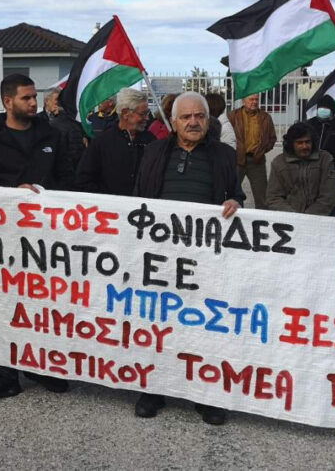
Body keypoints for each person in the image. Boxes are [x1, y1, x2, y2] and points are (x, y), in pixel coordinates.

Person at [134, 91, 244, 425]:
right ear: (174, 122)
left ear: (208, 120)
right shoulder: (154, 152)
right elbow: (139, 198)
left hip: (205, 259)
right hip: (161, 257)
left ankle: (205, 395)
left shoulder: (225, 155)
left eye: (199, 116)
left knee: (204, 326)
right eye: (186, 117)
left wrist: (236, 203)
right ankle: (153, 389)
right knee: (158, 324)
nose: (193, 122)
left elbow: (237, 195)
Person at [0, 74, 72, 402]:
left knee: (44, 302)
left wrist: (48, 195)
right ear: (7, 102)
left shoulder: (52, 135)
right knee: (7, 303)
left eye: (34, 97)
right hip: (7, 238)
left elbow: (69, 179)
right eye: (26, 98)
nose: (33, 102)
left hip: (47, 235)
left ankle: (39, 365)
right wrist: (12, 194)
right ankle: (7, 373)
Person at [75, 88, 154, 195]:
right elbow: (84, 179)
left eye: (147, 113)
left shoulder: (151, 141)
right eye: (142, 114)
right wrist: (106, 199)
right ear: (126, 113)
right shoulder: (102, 142)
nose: (147, 118)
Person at [265, 121, 335, 216]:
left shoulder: (325, 159)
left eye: (307, 142)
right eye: (299, 143)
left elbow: (328, 196)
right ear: (291, 144)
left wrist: (308, 217)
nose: (304, 146)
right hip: (290, 219)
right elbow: (273, 197)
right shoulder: (278, 163)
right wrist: (294, 217)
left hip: (319, 217)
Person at [227, 92, 278, 210]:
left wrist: (262, 150)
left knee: (262, 196)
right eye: (251, 99)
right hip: (236, 160)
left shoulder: (265, 117)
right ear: (243, 101)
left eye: (256, 99)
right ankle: (235, 217)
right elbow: (225, 136)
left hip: (257, 160)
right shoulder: (233, 116)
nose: (254, 102)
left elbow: (272, 138)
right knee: (231, 193)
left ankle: (262, 218)